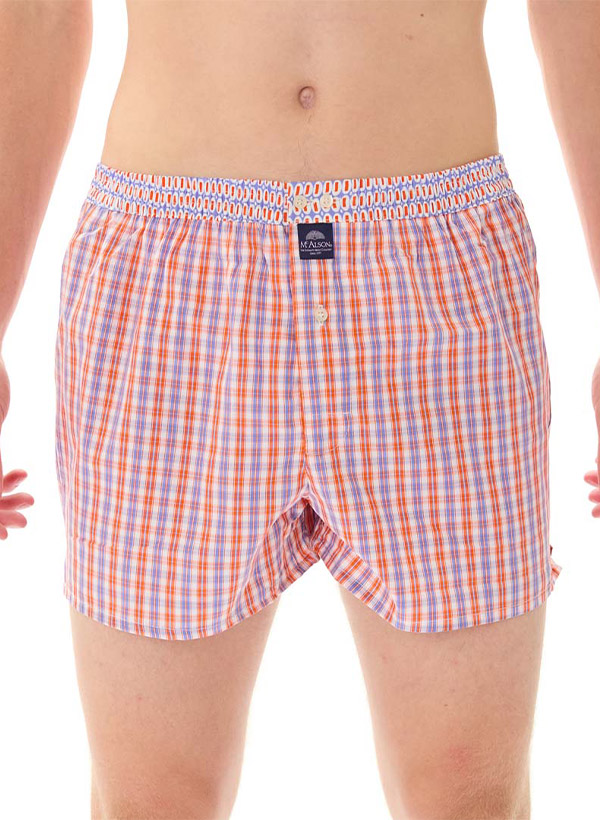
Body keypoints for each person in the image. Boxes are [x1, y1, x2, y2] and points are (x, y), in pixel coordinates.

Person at [0, 1, 597, 818]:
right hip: (170, 284)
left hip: (438, 281)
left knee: (469, 796)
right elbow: (38, 13)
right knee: (150, 802)